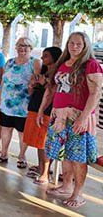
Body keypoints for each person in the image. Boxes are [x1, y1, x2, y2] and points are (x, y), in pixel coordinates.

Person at [41, 32, 102, 208]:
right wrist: (49, 109)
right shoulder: (63, 63)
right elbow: (57, 88)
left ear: (85, 46)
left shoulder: (91, 65)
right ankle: (66, 186)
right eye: (71, 43)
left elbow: (95, 93)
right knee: (65, 154)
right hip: (60, 116)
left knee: (78, 157)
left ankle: (78, 193)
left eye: (79, 44)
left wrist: (83, 118)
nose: (74, 47)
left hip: (78, 117)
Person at [0, 37, 41, 165]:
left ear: (31, 48)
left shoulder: (35, 62)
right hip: (7, 103)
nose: (22, 48)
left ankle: (22, 156)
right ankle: (3, 154)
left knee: (22, 132)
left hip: (24, 104)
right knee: (6, 129)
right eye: (19, 45)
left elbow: (38, 83)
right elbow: (4, 81)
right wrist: (0, 99)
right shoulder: (9, 62)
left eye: (25, 46)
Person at [23, 46, 62, 185]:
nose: (42, 58)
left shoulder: (58, 74)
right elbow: (31, 93)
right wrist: (32, 85)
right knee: (38, 143)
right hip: (34, 108)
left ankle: (45, 173)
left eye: (46, 56)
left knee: (45, 143)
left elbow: (54, 93)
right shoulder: (41, 73)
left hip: (48, 111)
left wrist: (44, 83)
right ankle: (41, 169)